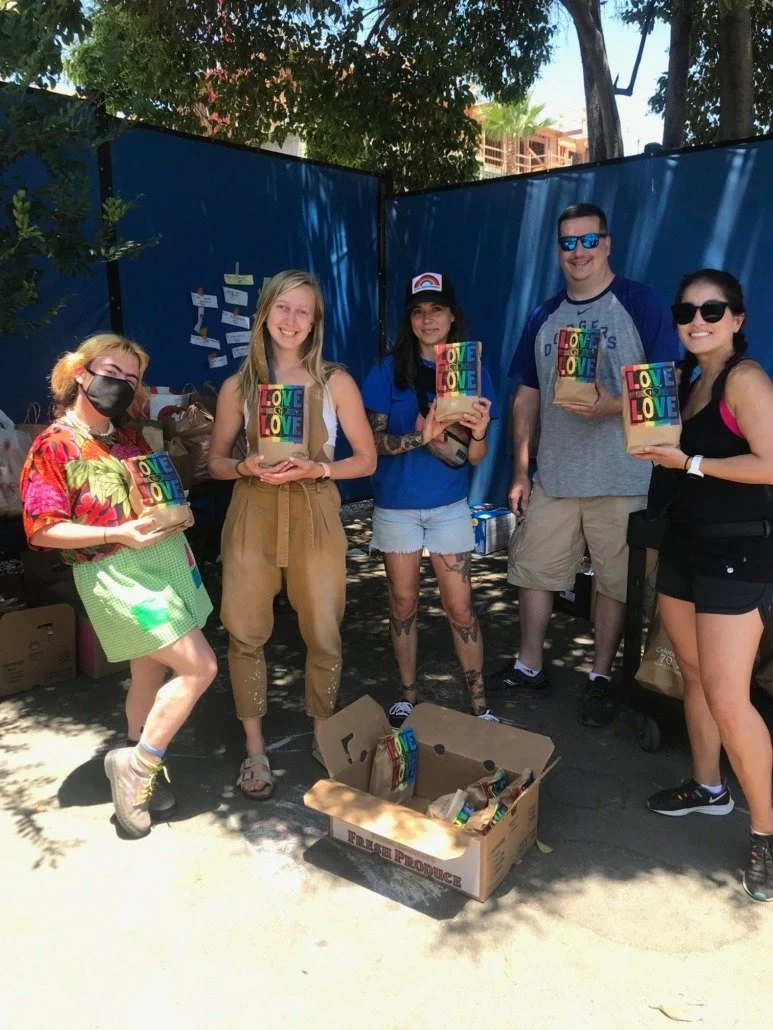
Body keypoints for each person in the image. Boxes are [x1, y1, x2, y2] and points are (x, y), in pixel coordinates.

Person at [20, 333, 217, 839]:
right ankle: (137, 765)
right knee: (199, 667)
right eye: (112, 372)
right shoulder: (53, 445)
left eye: (131, 378)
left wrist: (173, 512)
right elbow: (41, 530)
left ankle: (137, 775)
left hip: (163, 560)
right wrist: (115, 532)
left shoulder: (127, 436)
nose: (122, 384)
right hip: (117, 573)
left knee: (149, 672)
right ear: (81, 373)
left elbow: (148, 497)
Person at [501, 202, 680, 727]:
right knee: (533, 571)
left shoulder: (639, 303)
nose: (577, 252)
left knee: (613, 581)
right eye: (567, 242)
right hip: (554, 476)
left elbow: (664, 390)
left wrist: (612, 406)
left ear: (606, 244)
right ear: (558, 250)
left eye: (588, 240)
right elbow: (526, 396)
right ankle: (529, 665)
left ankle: (601, 677)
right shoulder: (543, 315)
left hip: (623, 477)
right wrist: (520, 469)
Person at [632, 269, 773, 903]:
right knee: (691, 672)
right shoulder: (687, 380)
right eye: (687, 310)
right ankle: (708, 788)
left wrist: (689, 460)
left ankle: (765, 835)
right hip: (685, 542)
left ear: (737, 319)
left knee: (727, 696)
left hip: (736, 550)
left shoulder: (745, 380)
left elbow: (771, 463)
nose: (698, 320)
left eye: (712, 311)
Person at [210, 270, 376, 799]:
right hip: (252, 513)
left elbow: (365, 459)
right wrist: (243, 468)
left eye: (303, 311)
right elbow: (213, 461)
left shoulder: (336, 381)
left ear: (315, 322)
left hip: (315, 511)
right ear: (263, 313)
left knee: (324, 630)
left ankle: (322, 733)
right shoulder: (238, 386)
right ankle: (255, 751)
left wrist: (318, 470)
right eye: (282, 308)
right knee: (245, 631)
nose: (291, 320)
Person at [361, 272, 499, 726]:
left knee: (460, 605)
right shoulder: (385, 371)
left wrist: (477, 431)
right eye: (419, 310)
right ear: (409, 318)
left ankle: (480, 705)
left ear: (452, 315)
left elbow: (475, 456)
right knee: (403, 603)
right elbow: (373, 445)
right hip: (397, 505)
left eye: (437, 309)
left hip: (448, 506)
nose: (427, 319)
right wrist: (422, 437)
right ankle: (407, 695)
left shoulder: (473, 371)